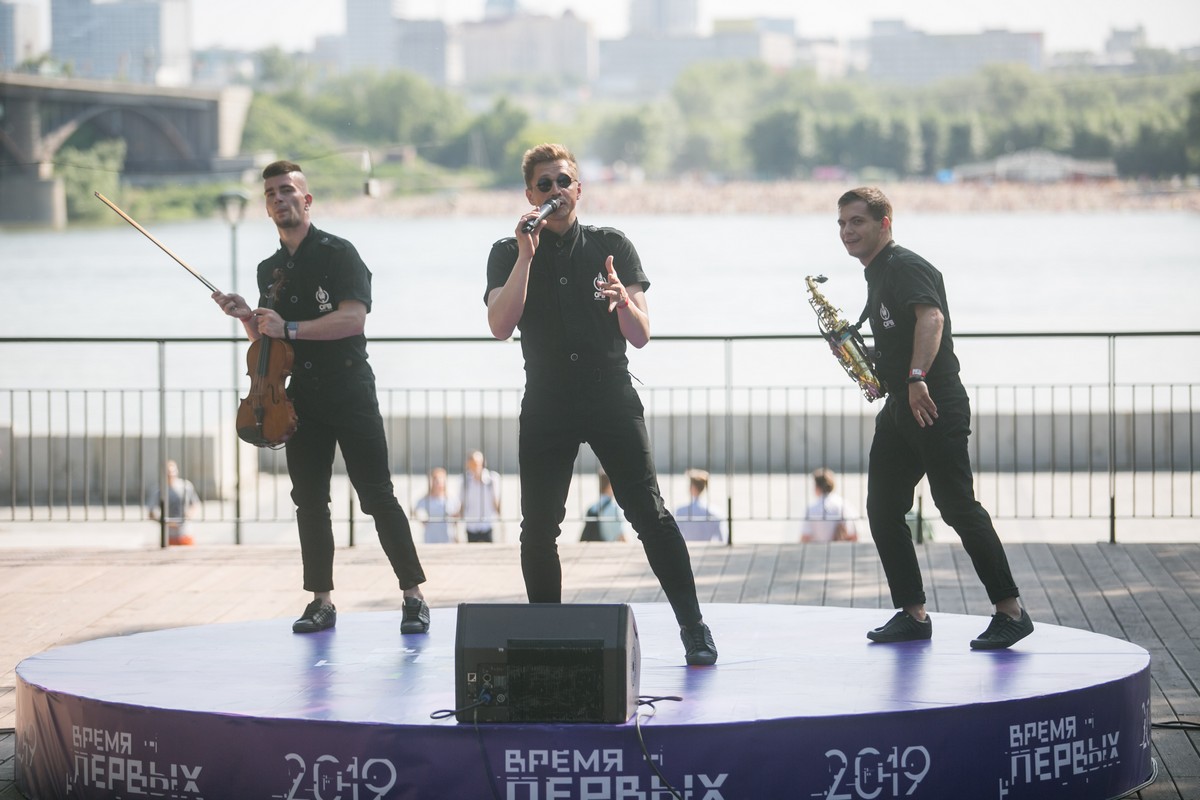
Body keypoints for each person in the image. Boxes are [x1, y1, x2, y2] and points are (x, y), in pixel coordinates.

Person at [485, 143, 717, 666]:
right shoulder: (507, 251)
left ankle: (693, 627)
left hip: (609, 393)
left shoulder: (611, 245)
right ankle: (546, 639)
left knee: (650, 514)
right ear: (530, 195)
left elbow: (641, 335)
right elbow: (499, 326)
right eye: (544, 185)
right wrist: (526, 256)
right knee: (538, 527)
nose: (556, 192)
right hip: (547, 399)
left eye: (563, 182)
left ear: (579, 188)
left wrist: (623, 301)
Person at [211, 160, 430, 636]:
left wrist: (288, 326)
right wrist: (248, 317)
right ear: (266, 206)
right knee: (309, 501)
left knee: (377, 495)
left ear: (306, 200)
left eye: (287, 190)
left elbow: (353, 319)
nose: (279, 199)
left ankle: (414, 597)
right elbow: (269, 345)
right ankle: (321, 602)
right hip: (300, 399)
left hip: (350, 390)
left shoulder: (339, 253)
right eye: (271, 193)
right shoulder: (269, 269)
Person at [837, 186, 1033, 650]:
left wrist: (916, 377)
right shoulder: (878, 272)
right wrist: (864, 357)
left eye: (857, 221)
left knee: (956, 505)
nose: (847, 231)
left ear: (884, 224)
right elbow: (903, 333)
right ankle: (913, 613)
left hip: (932, 401)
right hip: (901, 405)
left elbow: (932, 319)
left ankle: (1011, 612)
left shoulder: (904, 265)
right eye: (842, 224)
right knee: (883, 508)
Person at [148, 460, 199, 546]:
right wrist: (165, 522)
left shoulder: (186, 486)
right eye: (168, 472)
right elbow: (151, 513)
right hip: (168, 535)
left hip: (185, 533)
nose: (171, 474)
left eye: (172, 471)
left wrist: (189, 515)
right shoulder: (158, 490)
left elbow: (194, 503)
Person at [800, 468, 857, 543]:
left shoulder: (811, 509)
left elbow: (805, 537)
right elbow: (853, 535)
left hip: (817, 548)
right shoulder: (843, 505)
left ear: (816, 486)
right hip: (840, 548)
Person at [673, 468, 724, 543]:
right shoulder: (715, 512)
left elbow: (676, 536)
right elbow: (721, 538)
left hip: (689, 547)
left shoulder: (681, 511)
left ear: (692, 487)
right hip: (707, 547)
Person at [460, 450, 500, 543]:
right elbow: (462, 503)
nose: (475, 466)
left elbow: (496, 501)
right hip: (471, 525)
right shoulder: (464, 480)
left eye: (477, 463)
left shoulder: (492, 479)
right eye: (472, 463)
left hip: (487, 524)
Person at [414, 467, 458, 543]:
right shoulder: (426, 499)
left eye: (441, 479)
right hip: (431, 536)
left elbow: (457, 515)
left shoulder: (451, 498)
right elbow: (415, 510)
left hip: (447, 536)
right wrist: (423, 521)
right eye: (435, 479)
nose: (438, 482)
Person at [581, 471, 626, 542]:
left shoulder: (592, 508)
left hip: (594, 545)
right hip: (610, 546)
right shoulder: (614, 508)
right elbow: (620, 535)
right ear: (610, 486)